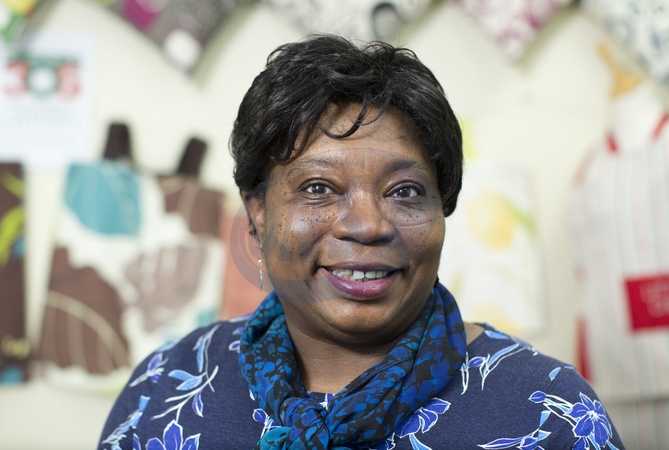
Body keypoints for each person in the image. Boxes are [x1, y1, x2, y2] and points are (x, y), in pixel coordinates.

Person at [98, 35, 625, 449]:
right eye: (318, 188)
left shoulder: (550, 413)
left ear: (442, 208)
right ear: (257, 213)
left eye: (405, 191)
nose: (368, 225)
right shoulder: (164, 388)